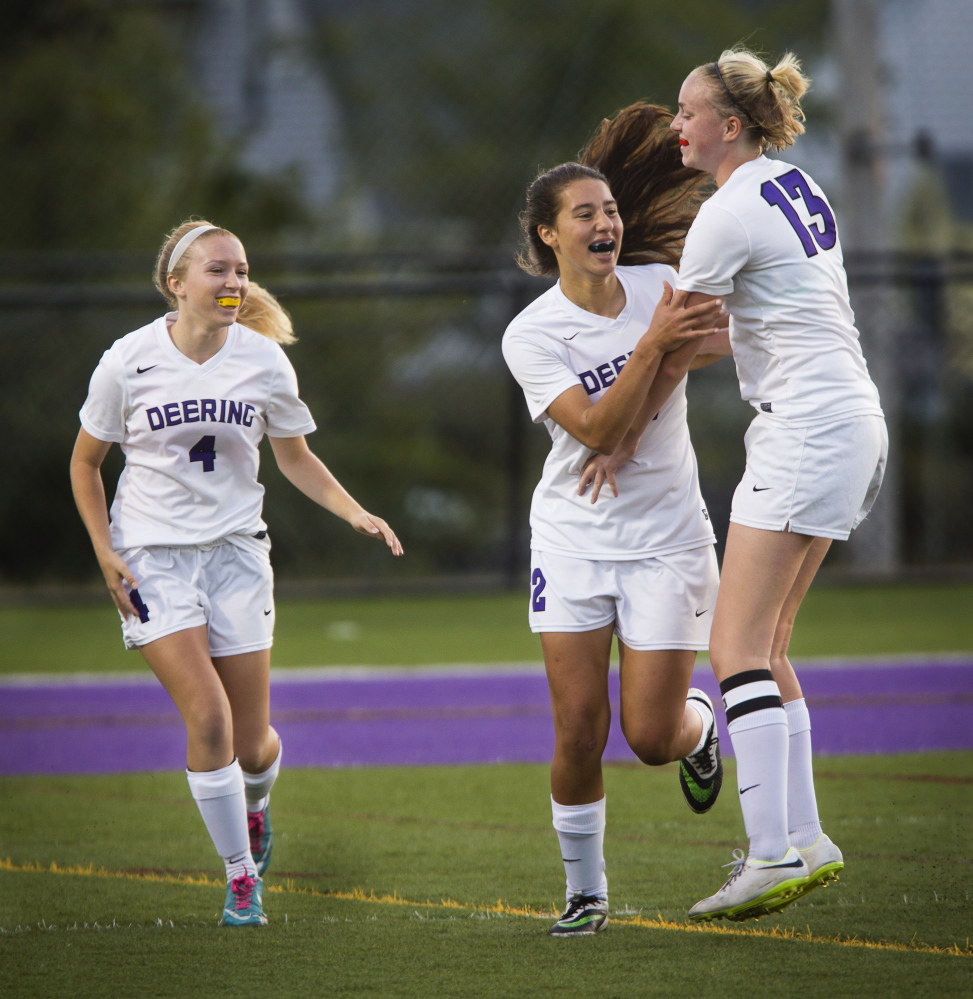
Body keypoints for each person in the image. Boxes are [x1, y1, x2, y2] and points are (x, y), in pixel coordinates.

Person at [70, 220, 403, 927]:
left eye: (241, 270)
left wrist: (356, 512)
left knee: (252, 743)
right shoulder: (126, 361)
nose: (234, 283)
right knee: (210, 717)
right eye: (217, 270)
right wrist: (105, 550)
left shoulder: (262, 361)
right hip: (153, 561)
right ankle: (239, 877)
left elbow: (296, 458)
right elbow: (84, 463)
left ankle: (254, 810)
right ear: (177, 283)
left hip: (237, 557)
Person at [502, 104, 731, 937]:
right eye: (584, 214)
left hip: (667, 538)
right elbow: (591, 430)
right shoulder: (531, 335)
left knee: (648, 734)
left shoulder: (655, 288)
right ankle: (585, 892)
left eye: (609, 210)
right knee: (577, 728)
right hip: (572, 538)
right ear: (548, 235)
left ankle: (699, 727)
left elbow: (711, 344)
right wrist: (651, 352)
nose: (605, 223)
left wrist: (662, 358)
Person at [670, 48, 887, 922]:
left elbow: (673, 334)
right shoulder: (792, 184)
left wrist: (600, 410)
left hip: (806, 426)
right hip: (847, 418)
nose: (674, 125)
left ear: (730, 125)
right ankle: (806, 835)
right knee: (770, 641)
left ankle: (766, 854)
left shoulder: (724, 209)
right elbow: (741, 322)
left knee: (733, 651)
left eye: (686, 112)